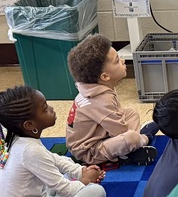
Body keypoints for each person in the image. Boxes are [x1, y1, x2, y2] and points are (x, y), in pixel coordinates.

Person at [0, 85, 114, 197]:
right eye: (45, 108)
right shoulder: (30, 150)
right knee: (96, 193)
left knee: (63, 171)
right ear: (30, 125)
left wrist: (81, 171)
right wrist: (86, 180)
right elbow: (65, 190)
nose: (52, 109)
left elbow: (52, 159)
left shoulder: (15, 138)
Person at [65, 34, 159, 166]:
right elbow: (121, 131)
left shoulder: (97, 87)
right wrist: (138, 138)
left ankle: (128, 150)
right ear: (105, 76)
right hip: (89, 152)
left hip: (98, 134)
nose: (123, 61)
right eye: (116, 61)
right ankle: (144, 138)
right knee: (131, 138)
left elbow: (116, 118)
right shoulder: (100, 100)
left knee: (130, 113)